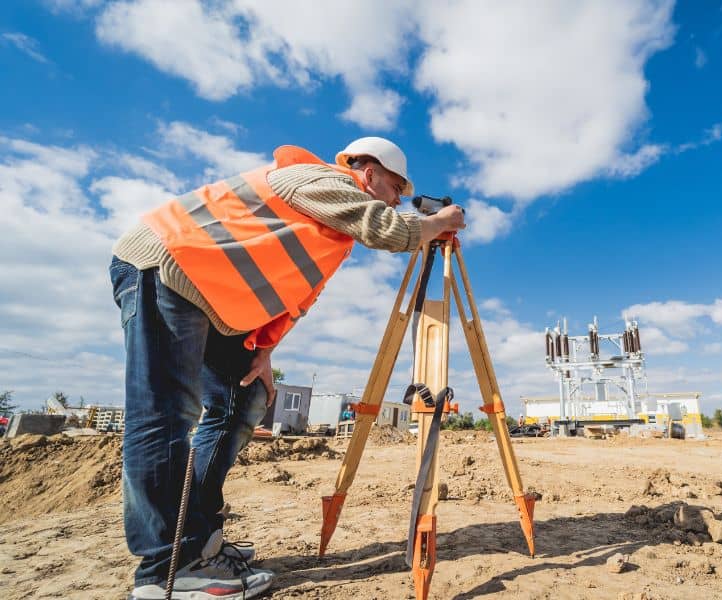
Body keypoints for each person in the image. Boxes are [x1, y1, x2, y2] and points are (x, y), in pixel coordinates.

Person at [109, 136, 464, 600]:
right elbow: (387, 230)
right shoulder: (320, 179)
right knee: (165, 416)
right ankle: (167, 570)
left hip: (211, 297)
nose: (399, 200)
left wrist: (263, 348)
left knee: (248, 395)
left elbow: (295, 297)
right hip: (169, 265)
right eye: (397, 189)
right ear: (369, 173)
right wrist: (437, 222)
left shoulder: (330, 233)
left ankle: (199, 537)